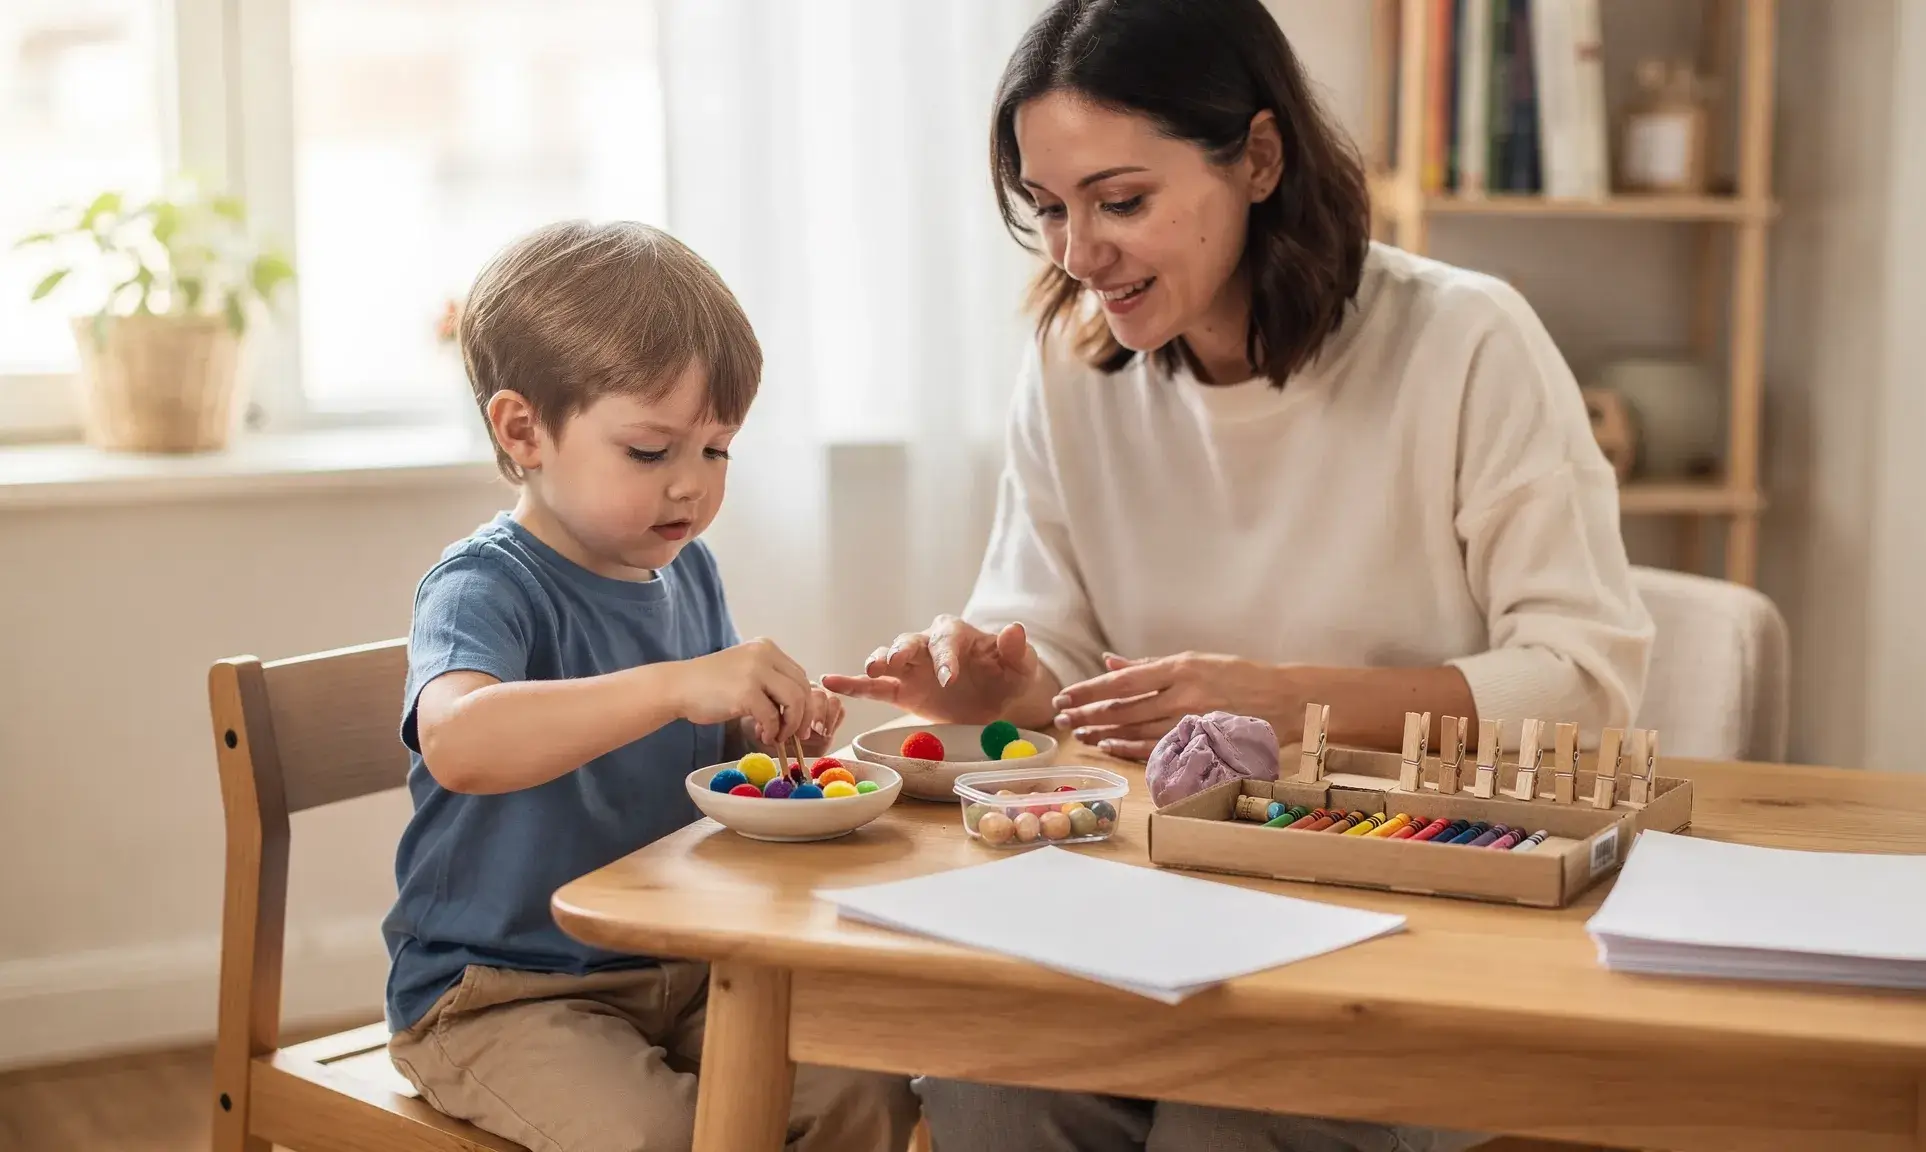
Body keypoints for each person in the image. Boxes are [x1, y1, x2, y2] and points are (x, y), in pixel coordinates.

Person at [822, 0, 1651, 1148]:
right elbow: (1053, 662)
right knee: (983, 1078)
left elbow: (1583, 682)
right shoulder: (1071, 369)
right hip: (1157, 893)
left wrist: (1283, 701)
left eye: (1120, 201)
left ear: (1257, 157)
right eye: (1048, 208)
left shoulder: (1463, 343)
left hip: (1407, 900)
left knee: (1225, 1117)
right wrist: (984, 686)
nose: (1076, 253)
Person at [380, 220, 920, 1152]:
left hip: (682, 967)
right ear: (524, 430)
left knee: (865, 1087)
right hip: (501, 994)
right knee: (664, 1140)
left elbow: (701, 771)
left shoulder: (687, 573)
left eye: (716, 451)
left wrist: (776, 746)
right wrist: (678, 686)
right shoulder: (484, 586)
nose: (691, 489)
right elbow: (462, 742)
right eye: (650, 451)